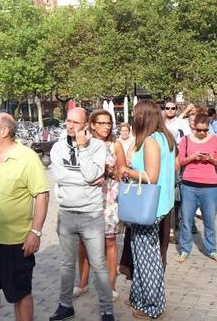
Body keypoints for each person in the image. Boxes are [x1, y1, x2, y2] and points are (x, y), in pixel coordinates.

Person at [0, 113, 50, 321]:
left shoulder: (27, 157)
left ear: (4, 131)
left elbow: (41, 195)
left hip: (15, 241)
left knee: (20, 293)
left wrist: (35, 232)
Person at [49, 107, 114, 321]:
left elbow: (93, 173)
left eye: (76, 122)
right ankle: (65, 305)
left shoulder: (97, 146)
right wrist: (88, 180)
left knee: (98, 264)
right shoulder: (58, 147)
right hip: (66, 214)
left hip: (91, 214)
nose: (70, 126)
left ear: (86, 125)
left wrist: (83, 148)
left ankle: (106, 309)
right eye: (68, 121)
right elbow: (60, 177)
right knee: (66, 265)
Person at [118, 99, 176, 319]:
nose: (133, 119)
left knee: (147, 260)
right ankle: (139, 297)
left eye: (135, 115)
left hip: (149, 208)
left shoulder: (152, 141)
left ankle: (153, 305)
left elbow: (150, 177)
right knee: (141, 255)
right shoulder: (165, 138)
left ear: (142, 116)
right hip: (161, 204)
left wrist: (126, 171)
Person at [73, 110, 127, 301]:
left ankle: (110, 286)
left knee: (110, 241)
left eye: (108, 123)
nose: (106, 126)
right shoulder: (83, 144)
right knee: (83, 243)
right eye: (102, 123)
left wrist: (113, 172)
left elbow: (124, 172)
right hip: (86, 198)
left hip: (109, 199)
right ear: (92, 125)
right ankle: (82, 283)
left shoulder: (116, 145)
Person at [176, 114, 217, 262]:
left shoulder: (215, 140)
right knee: (186, 220)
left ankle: (212, 249)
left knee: (210, 219)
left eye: (205, 130)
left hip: (211, 186)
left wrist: (211, 159)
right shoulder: (185, 140)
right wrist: (193, 157)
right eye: (199, 130)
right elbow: (180, 161)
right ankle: (185, 249)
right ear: (194, 127)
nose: (201, 133)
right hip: (189, 185)